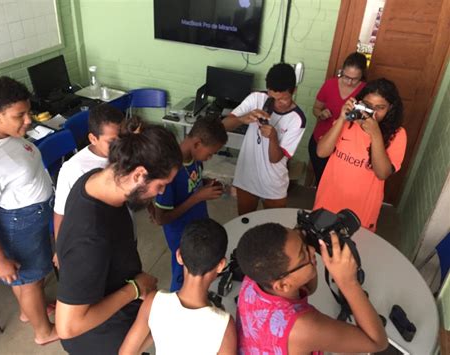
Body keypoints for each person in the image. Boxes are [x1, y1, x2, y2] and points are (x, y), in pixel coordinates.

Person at [55, 124, 182, 354]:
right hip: (100, 335)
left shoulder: (96, 179)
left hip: (116, 300)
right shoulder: (90, 238)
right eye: (160, 185)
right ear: (139, 174)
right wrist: (134, 289)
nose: (160, 192)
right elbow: (68, 327)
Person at [0, 77, 58, 345]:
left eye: (28, 112)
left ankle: (29, 312)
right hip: (20, 224)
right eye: (19, 115)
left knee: (27, 279)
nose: (28, 120)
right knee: (32, 280)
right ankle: (43, 332)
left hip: (31, 218)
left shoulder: (4, 134)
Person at [236, 223, 388, 354]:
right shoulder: (304, 328)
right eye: (304, 255)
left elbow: (309, 288)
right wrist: (348, 282)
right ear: (283, 285)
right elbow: (377, 342)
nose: (311, 249)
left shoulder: (256, 275)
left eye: (303, 243)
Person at [119, 218, 237, 355]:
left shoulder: (153, 302)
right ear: (221, 265)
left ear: (179, 256)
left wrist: (160, 328)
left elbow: (125, 353)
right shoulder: (224, 325)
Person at [313, 78, 407, 231]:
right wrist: (342, 119)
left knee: (348, 252)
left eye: (380, 108)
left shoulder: (397, 134)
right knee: (319, 246)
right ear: (359, 102)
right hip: (328, 201)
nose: (372, 113)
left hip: (360, 212)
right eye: (368, 106)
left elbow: (382, 173)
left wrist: (375, 134)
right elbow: (321, 152)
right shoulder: (347, 122)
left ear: (391, 108)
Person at [154, 118, 227, 291]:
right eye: (209, 154)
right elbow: (161, 218)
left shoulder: (195, 159)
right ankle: (179, 304)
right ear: (197, 143)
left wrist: (206, 184)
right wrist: (198, 197)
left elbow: (192, 183)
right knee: (184, 276)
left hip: (199, 224)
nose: (209, 158)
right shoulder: (169, 169)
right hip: (181, 237)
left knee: (202, 270)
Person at [223, 63, 306, 215]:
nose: (276, 104)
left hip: (273, 183)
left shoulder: (297, 119)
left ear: (294, 91)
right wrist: (242, 119)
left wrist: (273, 138)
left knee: (273, 229)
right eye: (272, 98)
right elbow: (224, 126)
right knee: (244, 221)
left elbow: (275, 159)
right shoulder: (257, 98)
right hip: (246, 176)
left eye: (283, 99)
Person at [53, 103, 124, 243]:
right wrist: (60, 250)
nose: (121, 145)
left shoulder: (125, 154)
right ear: (93, 139)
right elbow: (60, 213)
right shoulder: (73, 169)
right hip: (95, 239)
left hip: (123, 230)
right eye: (112, 142)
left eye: (123, 138)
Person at [309, 52, 367, 185]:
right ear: (342, 71)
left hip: (346, 148)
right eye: (346, 77)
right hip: (321, 140)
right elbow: (315, 108)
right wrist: (321, 114)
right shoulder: (330, 84)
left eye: (355, 79)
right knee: (322, 182)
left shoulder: (365, 91)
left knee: (339, 184)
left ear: (362, 76)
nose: (349, 82)